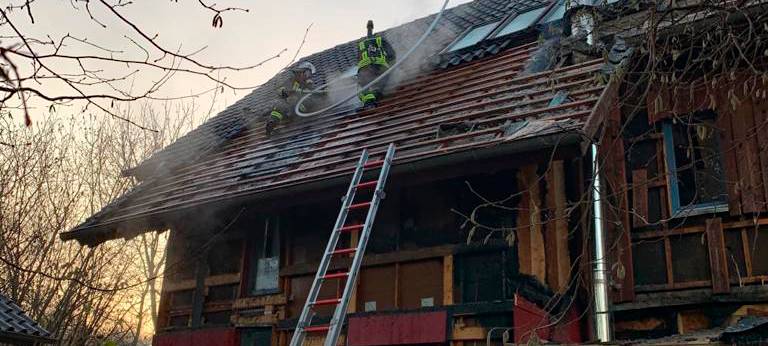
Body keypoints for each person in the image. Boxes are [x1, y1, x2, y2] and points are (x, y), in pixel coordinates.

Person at [265, 62, 321, 135]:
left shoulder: (308, 84)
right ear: (301, 72)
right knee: (279, 105)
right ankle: (272, 124)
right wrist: (287, 92)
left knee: (308, 101)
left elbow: (316, 93)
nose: (307, 76)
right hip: (286, 109)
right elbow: (280, 90)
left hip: (298, 109)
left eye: (309, 75)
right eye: (307, 74)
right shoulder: (290, 81)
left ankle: (294, 117)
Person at [357, 20, 396, 109]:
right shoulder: (380, 40)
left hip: (363, 69)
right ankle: (375, 97)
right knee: (380, 85)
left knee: (362, 89)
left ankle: (368, 103)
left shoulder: (361, 44)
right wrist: (392, 68)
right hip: (379, 67)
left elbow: (359, 59)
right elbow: (391, 55)